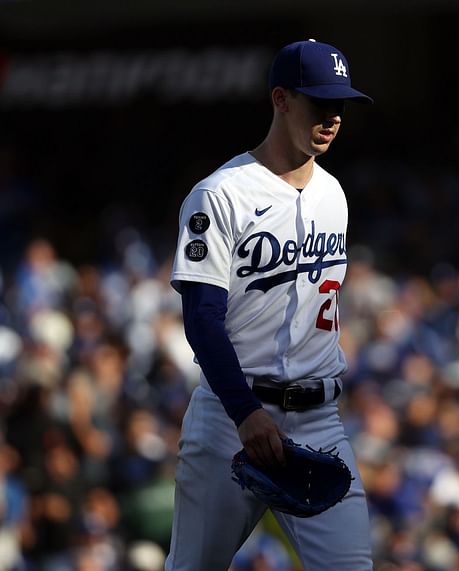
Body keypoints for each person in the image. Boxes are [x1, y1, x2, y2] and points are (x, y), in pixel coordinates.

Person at [165, 39, 374, 570]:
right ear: (280, 99)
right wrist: (245, 412)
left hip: (319, 418)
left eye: (339, 106)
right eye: (318, 103)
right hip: (231, 419)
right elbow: (202, 318)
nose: (331, 117)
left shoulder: (334, 195)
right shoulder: (220, 195)